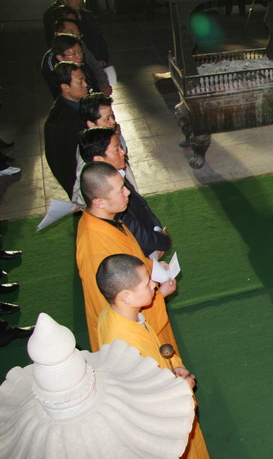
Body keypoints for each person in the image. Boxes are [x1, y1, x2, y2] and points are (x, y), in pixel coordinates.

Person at [95, 253, 218, 459]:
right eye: (146, 283)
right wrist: (182, 389)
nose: (154, 284)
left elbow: (157, 351)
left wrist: (176, 365)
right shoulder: (125, 346)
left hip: (168, 385)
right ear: (126, 296)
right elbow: (145, 402)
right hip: (167, 433)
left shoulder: (115, 315)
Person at [76, 161, 179, 352]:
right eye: (120, 190)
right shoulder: (95, 251)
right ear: (100, 202)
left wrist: (153, 267)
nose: (128, 193)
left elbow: (130, 253)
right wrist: (160, 295)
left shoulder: (108, 219)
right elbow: (113, 306)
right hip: (132, 340)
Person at [79, 127, 171, 257]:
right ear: (99, 160)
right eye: (116, 149)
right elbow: (137, 234)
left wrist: (156, 228)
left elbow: (142, 206)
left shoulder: (116, 176)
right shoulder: (110, 199)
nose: (123, 152)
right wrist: (162, 242)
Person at [44, 61, 89, 197]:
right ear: (65, 87)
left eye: (85, 79)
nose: (85, 84)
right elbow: (59, 163)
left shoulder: (80, 103)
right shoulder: (61, 121)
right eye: (80, 81)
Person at [41, 34, 101, 98]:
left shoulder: (78, 60)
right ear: (60, 58)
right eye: (73, 54)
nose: (79, 56)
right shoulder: (55, 73)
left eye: (80, 51)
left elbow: (91, 75)